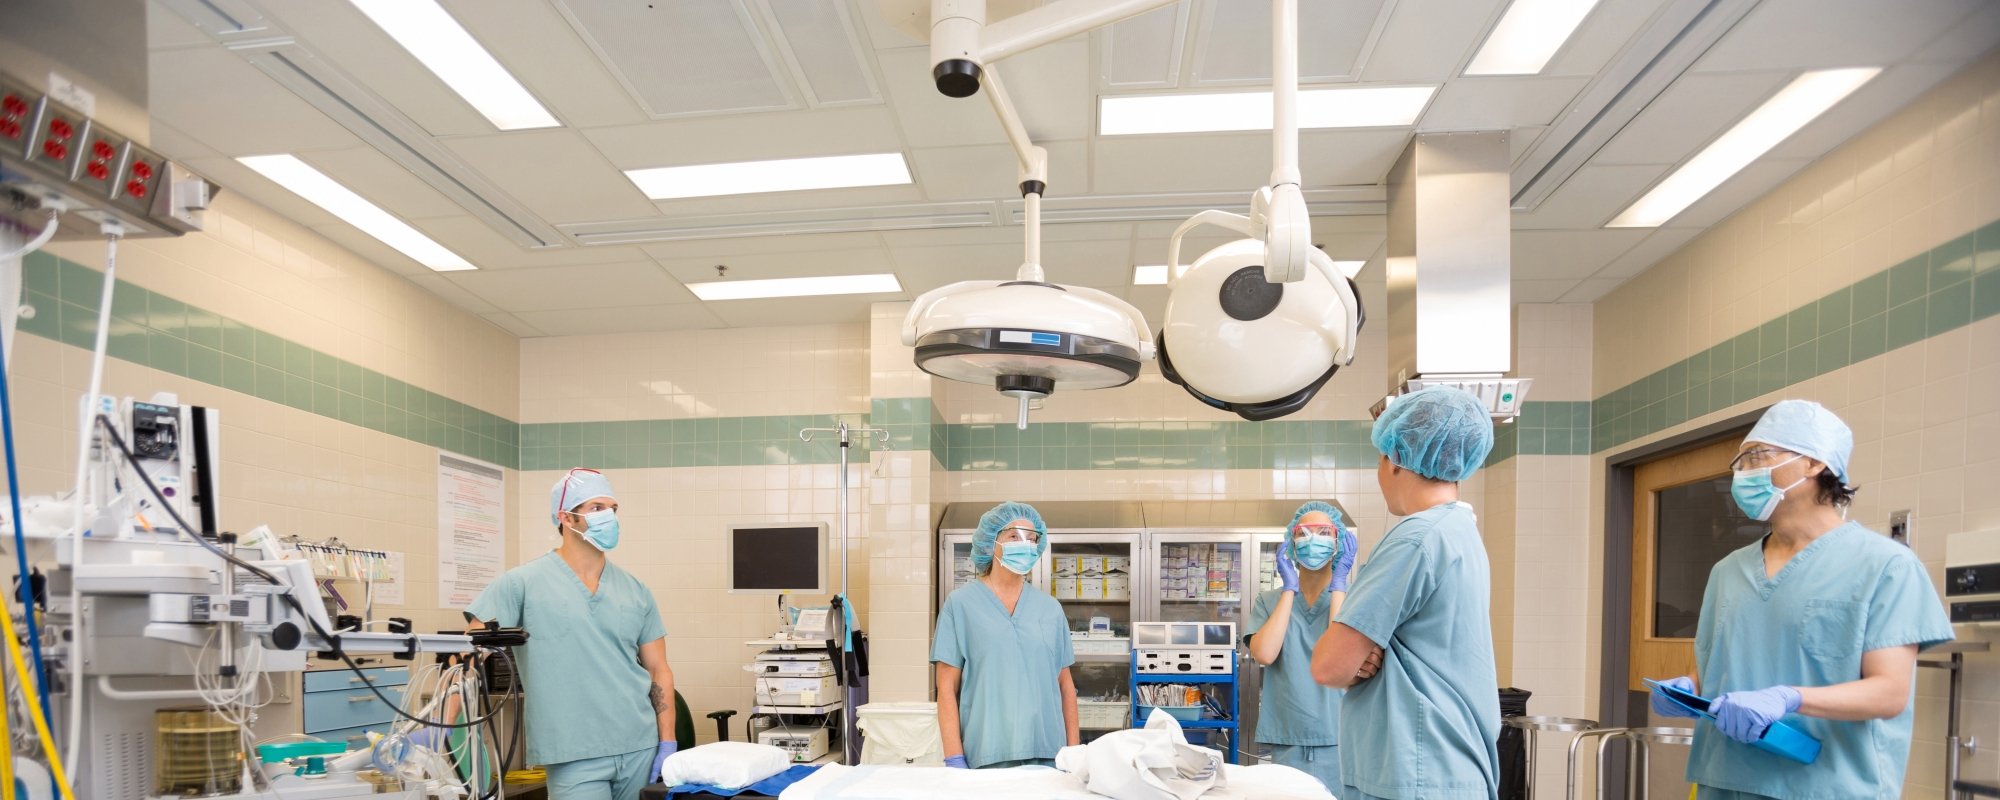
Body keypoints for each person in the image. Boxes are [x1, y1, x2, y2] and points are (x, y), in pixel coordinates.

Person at [1649, 400, 1953, 799]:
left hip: (1827, 784)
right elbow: (1714, 670)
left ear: (1814, 464)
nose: (1744, 472)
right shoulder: (1727, 572)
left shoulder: (1885, 566)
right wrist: (1686, 690)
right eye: (1739, 463)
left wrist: (1789, 698)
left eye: (1757, 456)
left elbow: (1889, 692)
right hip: (1724, 778)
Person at [1310, 386, 1498, 800]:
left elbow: (1330, 666)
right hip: (1444, 768)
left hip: (1415, 770)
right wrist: (1364, 653)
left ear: (1393, 459)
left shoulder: (1416, 539)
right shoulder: (1460, 531)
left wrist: (1359, 655)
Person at [463, 468, 678, 800]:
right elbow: (464, 656)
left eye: (613, 508)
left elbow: (657, 670)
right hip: (572, 751)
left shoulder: (636, 590)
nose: (609, 517)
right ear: (566, 517)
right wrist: (441, 734)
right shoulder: (521, 583)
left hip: (639, 745)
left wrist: (667, 742)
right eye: (596, 508)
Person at [932, 501, 1080, 768]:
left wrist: (1074, 752)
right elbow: (946, 688)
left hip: (1049, 755)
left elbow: (1065, 686)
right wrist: (954, 757)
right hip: (986, 755)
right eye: (1014, 536)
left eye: (1032, 539)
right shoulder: (961, 604)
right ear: (992, 543)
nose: (1025, 544)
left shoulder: (1050, 609)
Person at [1245, 501, 1360, 791]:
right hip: (1288, 737)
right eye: (1304, 533)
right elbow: (1265, 654)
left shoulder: (1353, 598)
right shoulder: (1269, 602)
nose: (1313, 540)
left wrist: (1339, 584)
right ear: (1291, 544)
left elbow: (1340, 652)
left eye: (1324, 532)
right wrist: (1288, 589)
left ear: (1339, 542)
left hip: (1341, 736)